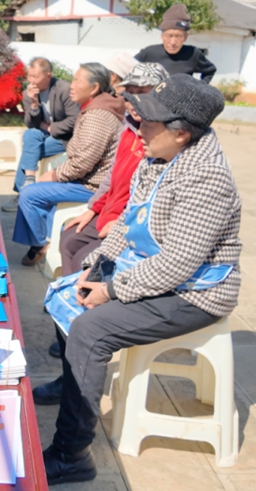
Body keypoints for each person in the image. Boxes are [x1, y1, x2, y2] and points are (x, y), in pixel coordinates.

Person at [37, 74, 240, 485]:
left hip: (195, 293)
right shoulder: (157, 159)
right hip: (155, 270)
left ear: (181, 133)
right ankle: (72, 379)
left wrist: (111, 291)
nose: (137, 126)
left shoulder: (207, 180)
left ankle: (70, 453)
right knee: (69, 289)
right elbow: (130, 225)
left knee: (92, 330)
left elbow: (178, 266)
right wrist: (98, 267)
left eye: (148, 122)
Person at [40, 62, 169, 366]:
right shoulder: (129, 128)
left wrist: (120, 224)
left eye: (144, 94)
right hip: (110, 212)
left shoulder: (160, 139)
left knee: (90, 256)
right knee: (70, 237)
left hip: (131, 225)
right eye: (131, 94)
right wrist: (93, 209)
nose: (136, 102)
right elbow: (112, 177)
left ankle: (81, 331)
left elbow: (148, 199)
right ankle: (69, 319)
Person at [13, 63, 125, 267]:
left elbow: (83, 162)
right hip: (86, 177)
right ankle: (44, 235)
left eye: (77, 81)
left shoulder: (98, 115)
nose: (71, 85)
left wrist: (54, 175)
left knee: (30, 193)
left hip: (92, 186)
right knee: (33, 145)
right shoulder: (94, 108)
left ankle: (39, 243)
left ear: (94, 88)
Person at [1, 57, 78, 212]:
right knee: (30, 135)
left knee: (30, 151)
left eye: (35, 77)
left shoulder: (64, 89)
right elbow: (30, 123)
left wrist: (51, 128)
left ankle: (22, 193)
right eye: (29, 76)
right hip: (40, 134)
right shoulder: (28, 93)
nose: (31, 80)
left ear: (48, 75)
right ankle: (29, 180)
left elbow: (75, 120)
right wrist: (34, 103)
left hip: (64, 137)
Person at [136, 4, 216, 83]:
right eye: (169, 36)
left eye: (178, 36)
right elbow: (128, 68)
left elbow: (210, 70)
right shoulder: (149, 52)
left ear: (185, 38)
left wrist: (199, 88)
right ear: (162, 37)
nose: (173, 42)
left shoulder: (193, 54)